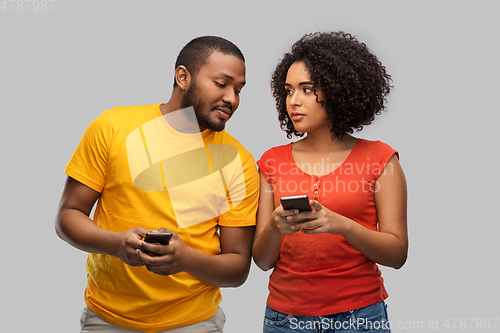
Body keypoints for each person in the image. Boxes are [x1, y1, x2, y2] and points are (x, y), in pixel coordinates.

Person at [55, 36, 259, 332]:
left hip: (193, 323)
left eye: (238, 90)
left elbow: (238, 267)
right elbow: (67, 216)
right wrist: (115, 244)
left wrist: (185, 259)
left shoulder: (238, 161)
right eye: (221, 83)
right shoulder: (113, 127)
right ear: (183, 77)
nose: (232, 98)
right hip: (107, 319)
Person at [252, 32, 408, 332]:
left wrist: (342, 225)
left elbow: (397, 254)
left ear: (339, 90)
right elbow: (262, 260)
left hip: (360, 317)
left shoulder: (381, 158)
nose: (293, 102)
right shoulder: (271, 161)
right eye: (288, 91)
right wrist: (274, 227)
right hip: (286, 320)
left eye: (306, 90)